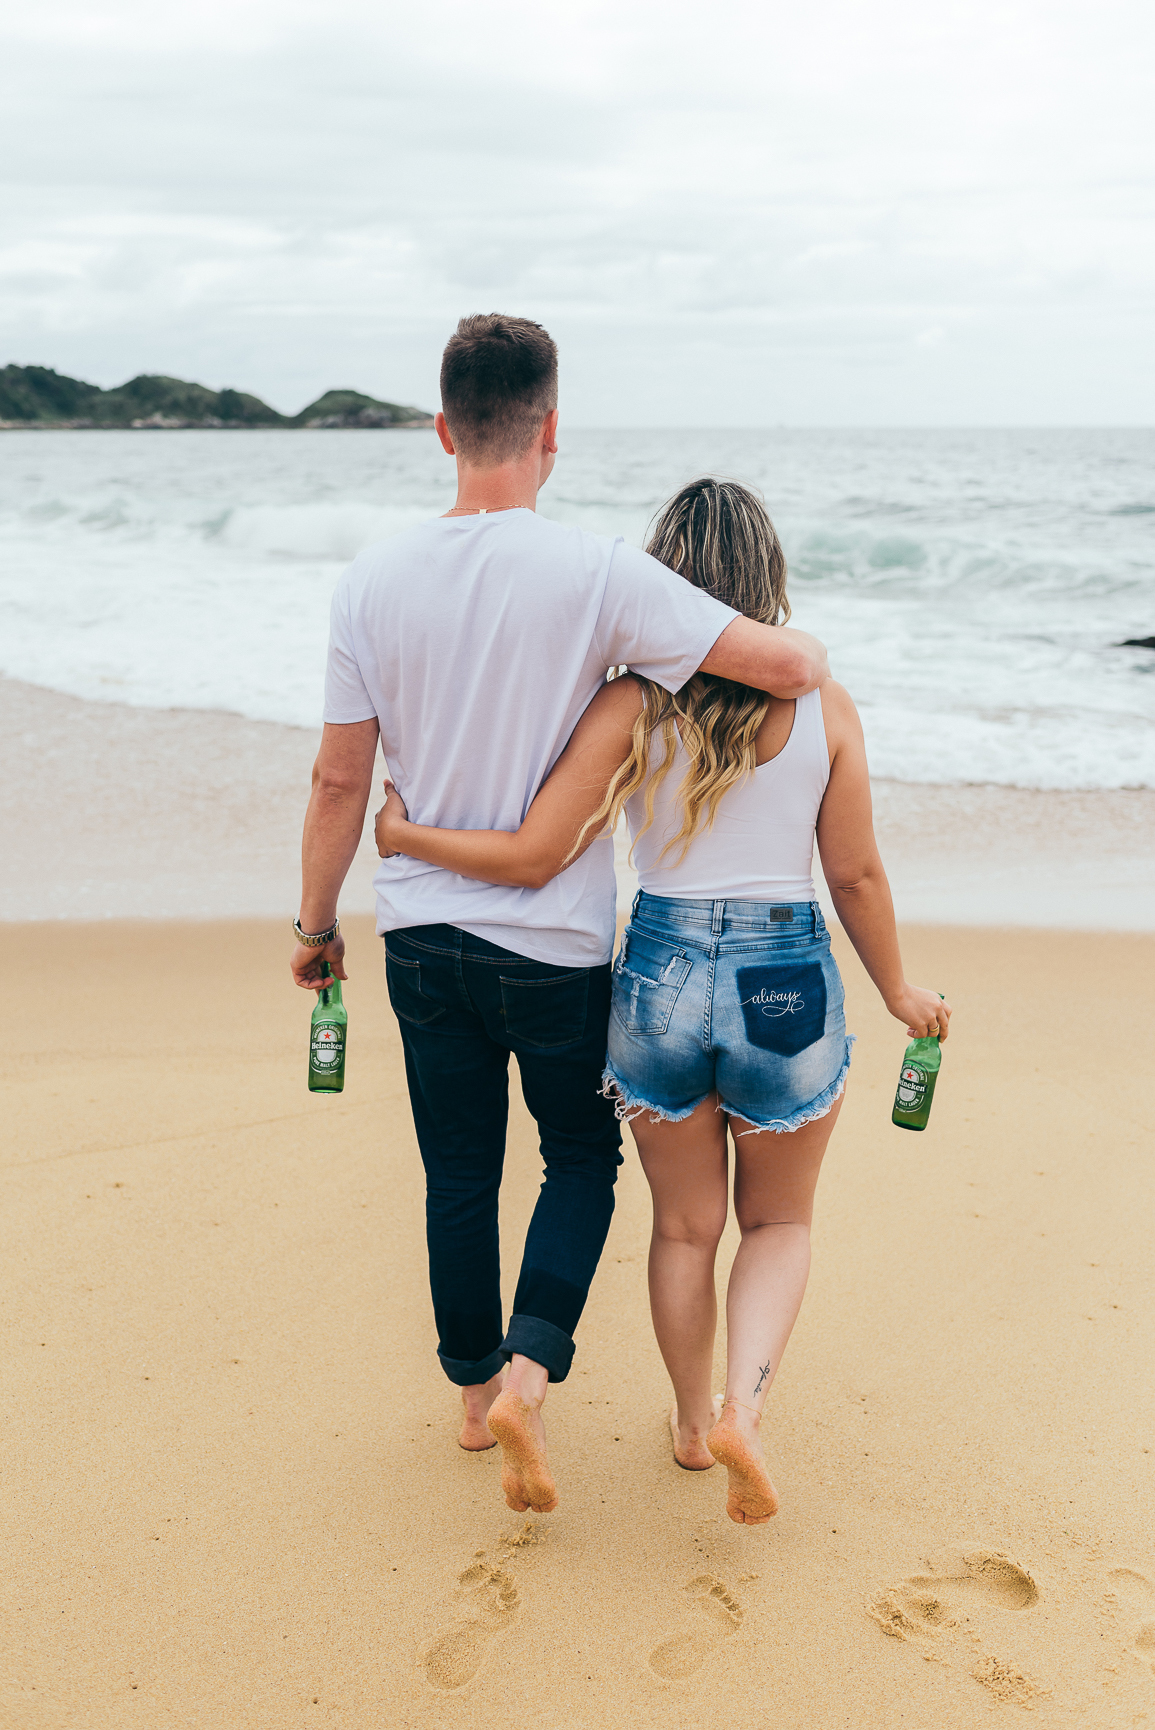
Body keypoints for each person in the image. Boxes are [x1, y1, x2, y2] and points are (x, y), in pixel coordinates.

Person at [290, 317, 830, 1517]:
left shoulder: (368, 581)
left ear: (443, 431)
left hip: (420, 934)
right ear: (550, 431)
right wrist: (795, 642)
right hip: (554, 947)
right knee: (578, 1156)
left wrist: (316, 926)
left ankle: (474, 1393)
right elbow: (787, 669)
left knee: (455, 1171)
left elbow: (337, 780)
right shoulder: (601, 574)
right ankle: (534, 1369)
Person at [373, 475, 951, 1526]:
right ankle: (743, 1410)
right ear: (769, 576)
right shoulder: (822, 703)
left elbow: (541, 848)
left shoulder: (633, 700)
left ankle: (690, 1425)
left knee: (685, 1227)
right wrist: (898, 988)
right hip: (785, 974)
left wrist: (406, 834)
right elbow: (855, 874)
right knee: (777, 1219)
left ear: (666, 578)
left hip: (660, 970)